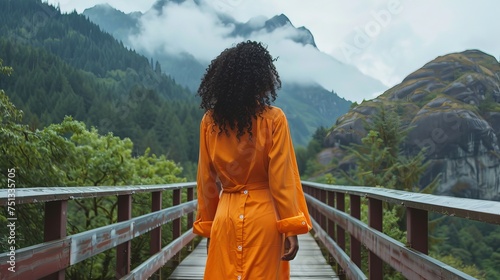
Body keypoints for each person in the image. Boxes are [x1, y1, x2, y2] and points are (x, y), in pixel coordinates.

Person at [193, 40, 312, 280]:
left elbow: (205, 180)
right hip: (264, 219)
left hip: (225, 218)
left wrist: (209, 228)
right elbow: (282, 179)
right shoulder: (274, 120)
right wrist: (290, 225)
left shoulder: (210, 122)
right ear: (261, 80)